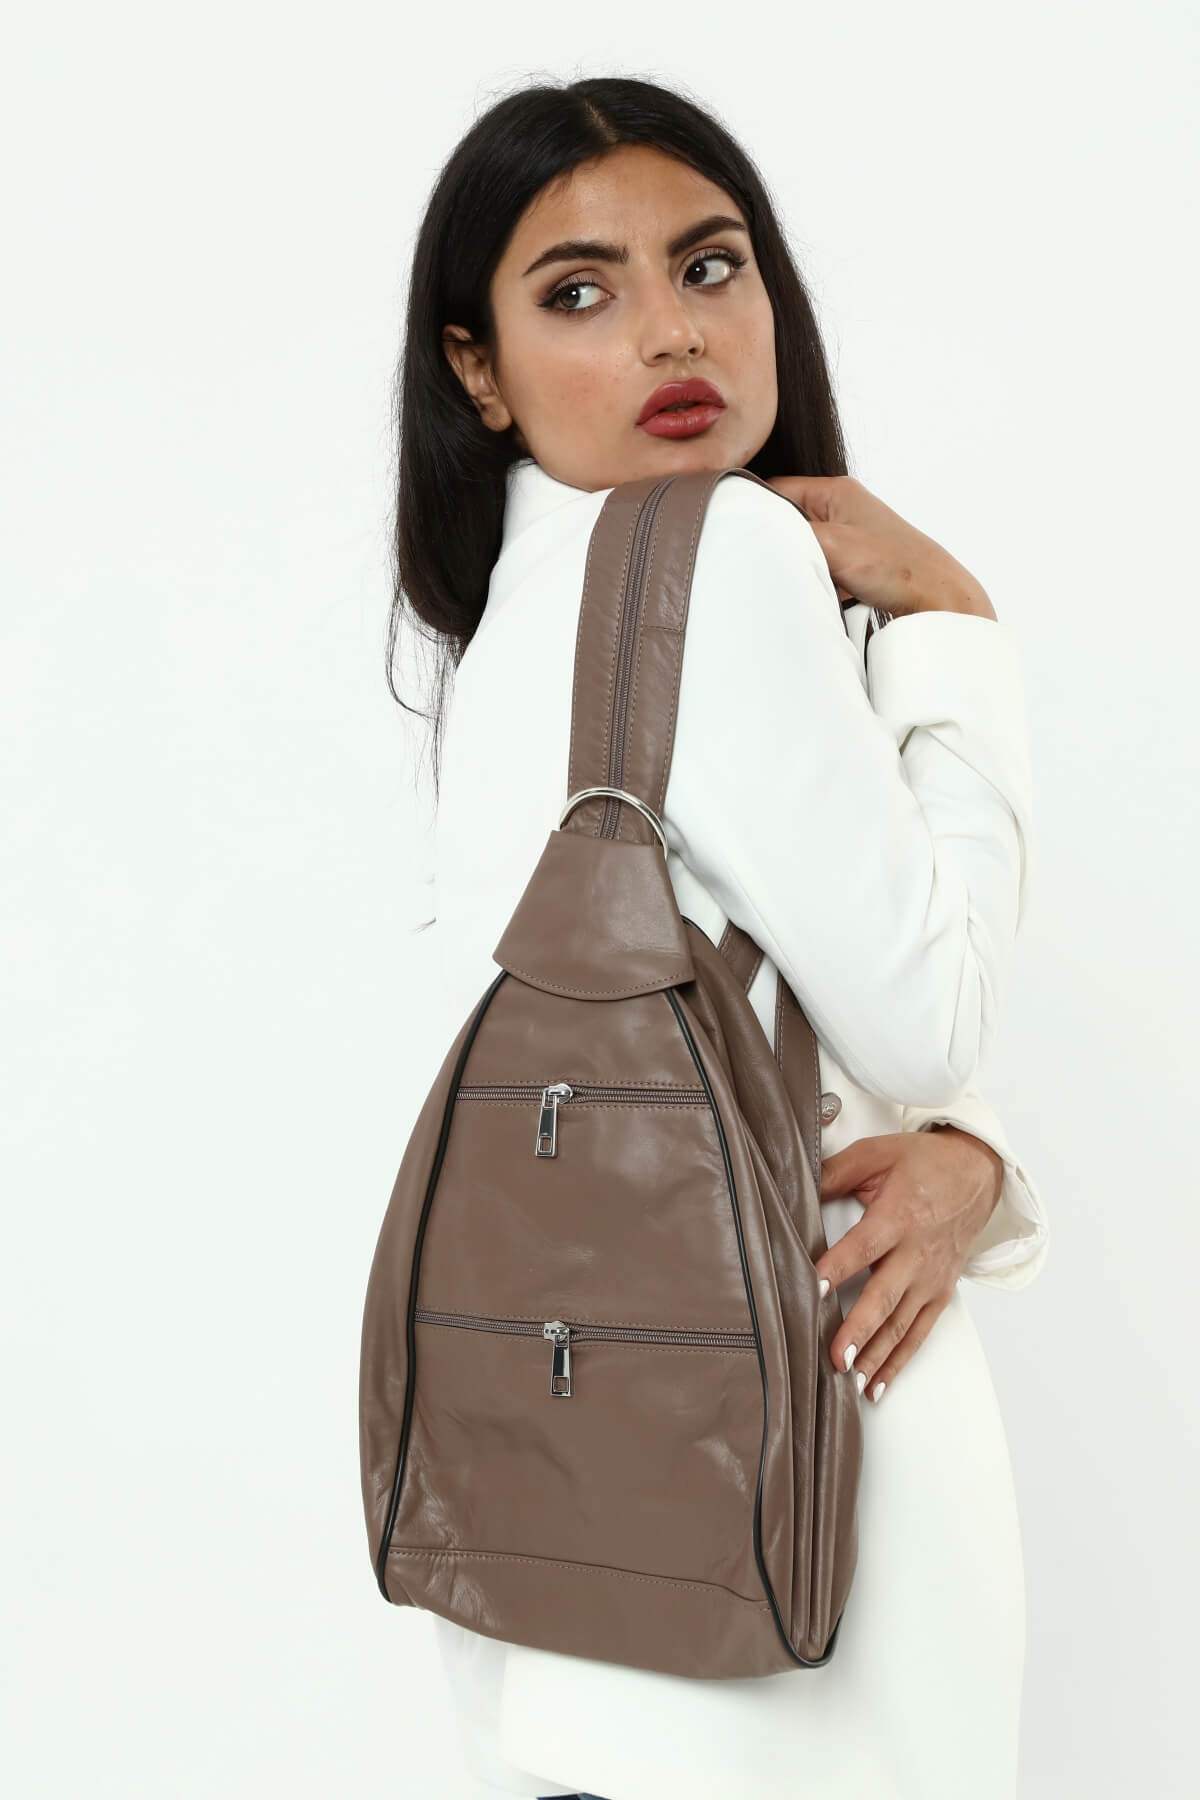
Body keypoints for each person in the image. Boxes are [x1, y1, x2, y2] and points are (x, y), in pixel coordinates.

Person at [387, 74, 1050, 1800]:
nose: (673, 330)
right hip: (800, 1485)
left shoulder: (512, 620)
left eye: (710, 264)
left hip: (564, 1556)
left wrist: (968, 1159)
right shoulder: (722, 560)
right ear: (478, 367)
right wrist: (958, 630)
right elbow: (927, 1024)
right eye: (579, 291)